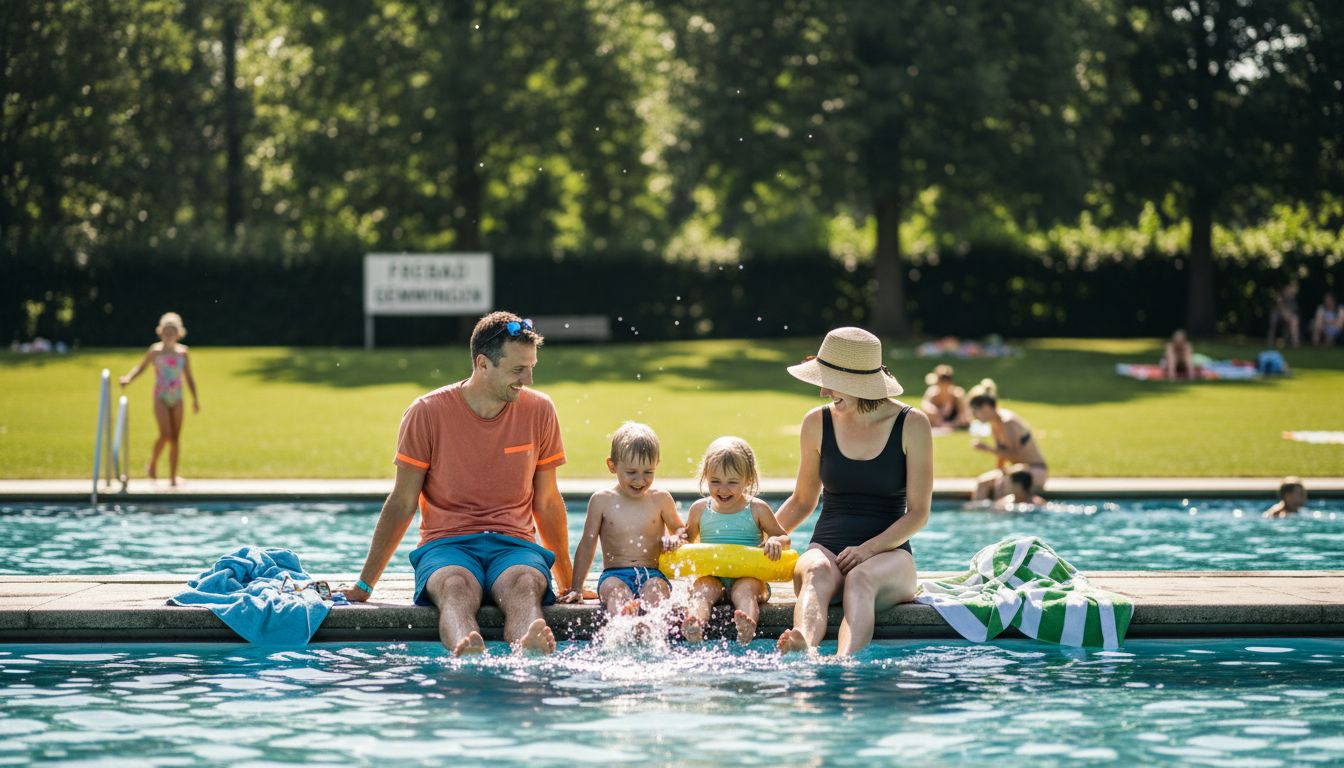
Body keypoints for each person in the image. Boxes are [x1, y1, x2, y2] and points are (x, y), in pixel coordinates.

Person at [340, 311, 573, 656]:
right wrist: (364, 585)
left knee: (524, 585)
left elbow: (548, 502)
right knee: (454, 587)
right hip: (446, 545)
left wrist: (569, 583)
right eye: (518, 370)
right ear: (482, 364)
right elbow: (402, 502)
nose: (529, 379)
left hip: (515, 544)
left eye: (531, 367)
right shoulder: (426, 413)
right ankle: (466, 648)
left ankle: (528, 647)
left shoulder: (540, 410)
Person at [773, 327, 932, 656]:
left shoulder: (912, 424)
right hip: (827, 551)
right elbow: (803, 500)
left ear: (857, 381)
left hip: (889, 557)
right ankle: (803, 642)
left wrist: (868, 550)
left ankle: (846, 665)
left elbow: (918, 513)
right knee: (815, 570)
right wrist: (764, 538)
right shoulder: (816, 422)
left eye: (828, 380)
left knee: (861, 579)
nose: (822, 392)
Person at [560, 422, 684, 619]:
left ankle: (648, 627)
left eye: (648, 472)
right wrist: (577, 587)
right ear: (612, 466)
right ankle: (625, 625)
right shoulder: (602, 500)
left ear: (656, 465)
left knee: (655, 592)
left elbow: (680, 530)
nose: (639, 480)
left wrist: (675, 538)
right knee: (617, 595)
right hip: (614, 575)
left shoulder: (660, 499)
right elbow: (587, 543)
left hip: (652, 573)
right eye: (631, 472)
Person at [680, 436, 790, 645]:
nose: (723, 489)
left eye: (732, 482)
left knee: (744, 590)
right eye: (715, 481)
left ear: (748, 479)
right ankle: (695, 624)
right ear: (705, 477)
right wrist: (676, 540)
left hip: (750, 579)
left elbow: (784, 537)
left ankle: (747, 624)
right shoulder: (699, 509)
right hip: (714, 577)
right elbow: (686, 540)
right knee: (701, 590)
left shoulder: (757, 508)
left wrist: (775, 541)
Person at [119, 312, 200, 486]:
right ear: (161, 332)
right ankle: (152, 464)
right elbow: (140, 368)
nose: (169, 336)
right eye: (166, 332)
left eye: (172, 332)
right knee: (165, 435)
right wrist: (128, 378)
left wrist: (195, 399)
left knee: (176, 437)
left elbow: (189, 377)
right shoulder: (155, 351)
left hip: (177, 397)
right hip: (161, 396)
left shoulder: (183, 353)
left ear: (178, 334)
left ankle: (172, 478)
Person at [967, 379, 1048, 502]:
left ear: (986, 407)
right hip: (1016, 470)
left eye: (975, 410)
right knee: (982, 483)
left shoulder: (1008, 422)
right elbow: (1002, 453)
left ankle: (1003, 520)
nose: (974, 415)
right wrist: (999, 472)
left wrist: (987, 448)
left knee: (1003, 485)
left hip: (1034, 470)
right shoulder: (994, 423)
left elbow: (1015, 454)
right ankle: (979, 517)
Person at [920, 364, 970, 429]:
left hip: (953, 420)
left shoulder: (957, 393)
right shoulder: (932, 392)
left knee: (963, 419)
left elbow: (964, 414)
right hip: (938, 420)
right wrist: (935, 411)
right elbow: (925, 406)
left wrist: (952, 424)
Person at [1267, 280, 1301, 348]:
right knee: (1275, 319)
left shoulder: (1294, 299)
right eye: (1294, 288)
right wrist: (1285, 314)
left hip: (1288, 317)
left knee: (1294, 320)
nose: (1295, 290)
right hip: (1278, 314)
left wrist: (1288, 316)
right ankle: (1270, 341)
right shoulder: (1282, 295)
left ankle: (1294, 341)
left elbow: (1293, 312)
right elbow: (1279, 303)